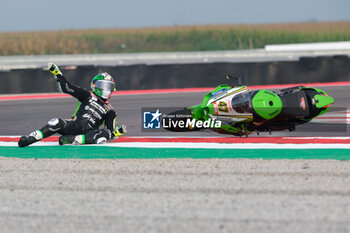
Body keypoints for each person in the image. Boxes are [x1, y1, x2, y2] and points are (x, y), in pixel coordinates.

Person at [18, 63, 126, 147]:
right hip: (74, 125)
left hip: (89, 133)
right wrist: (58, 74)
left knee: (104, 134)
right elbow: (67, 88)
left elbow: (110, 134)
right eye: (102, 85)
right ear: (94, 85)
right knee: (56, 122)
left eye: (108, 87)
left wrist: (117, 133)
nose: (105, 89)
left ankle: (72, 139)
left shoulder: (111, 111)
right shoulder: (87, 95)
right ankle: (30, 138)